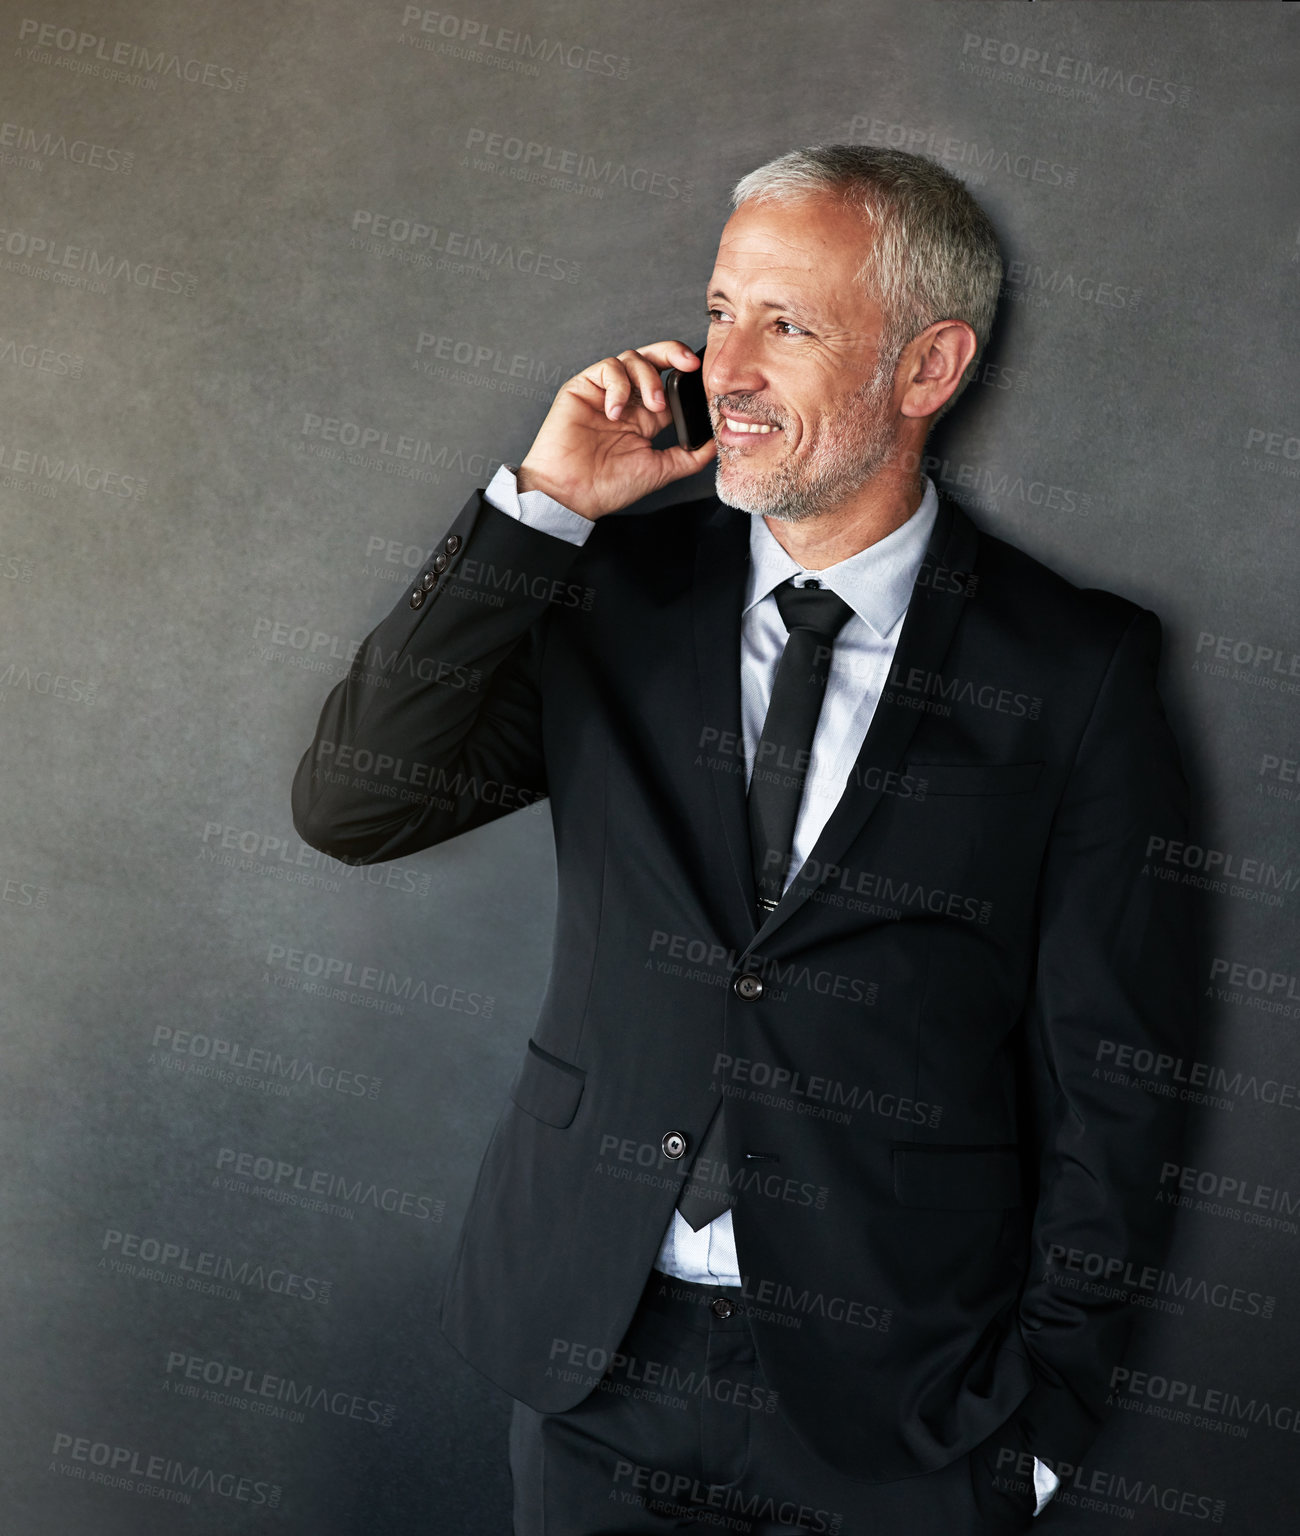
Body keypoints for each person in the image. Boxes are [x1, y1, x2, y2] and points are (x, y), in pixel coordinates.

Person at [292, 145, 1194, 1534]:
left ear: (928, 367)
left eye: (790, 323)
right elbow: (353, 802)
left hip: (900, 1405)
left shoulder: (1075, 671)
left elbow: (1114, 1078)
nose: (729, 366)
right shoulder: (610, 598)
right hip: (592, 1356)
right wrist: (538, 507)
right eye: (720, 310)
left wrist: (1045, 1423)